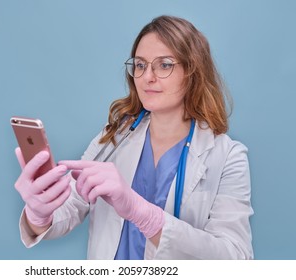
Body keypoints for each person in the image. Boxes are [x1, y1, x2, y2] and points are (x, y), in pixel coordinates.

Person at [14, 15, 253, 259]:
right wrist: (39, 215)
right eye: (140, 65)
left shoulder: (227, 157)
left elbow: (236, 257)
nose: (148, 76)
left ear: (192, 71)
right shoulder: (117, 134)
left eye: (164, 65)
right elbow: (73, 205)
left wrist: (144, 214)